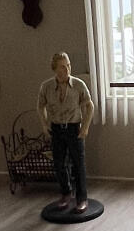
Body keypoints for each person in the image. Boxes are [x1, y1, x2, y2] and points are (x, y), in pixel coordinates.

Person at [37, 52, 94, 213]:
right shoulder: (46, 86)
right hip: (56, 128)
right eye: (62, 66)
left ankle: (82, 198)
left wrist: (85, 128)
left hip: (74, 128)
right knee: (59, 163)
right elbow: (40, 106)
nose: (67, 69)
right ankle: (65, 193)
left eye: (68, 65)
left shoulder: (78, 85)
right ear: (55, 69)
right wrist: (44, 124)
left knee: (78, 164)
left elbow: (90, 106)